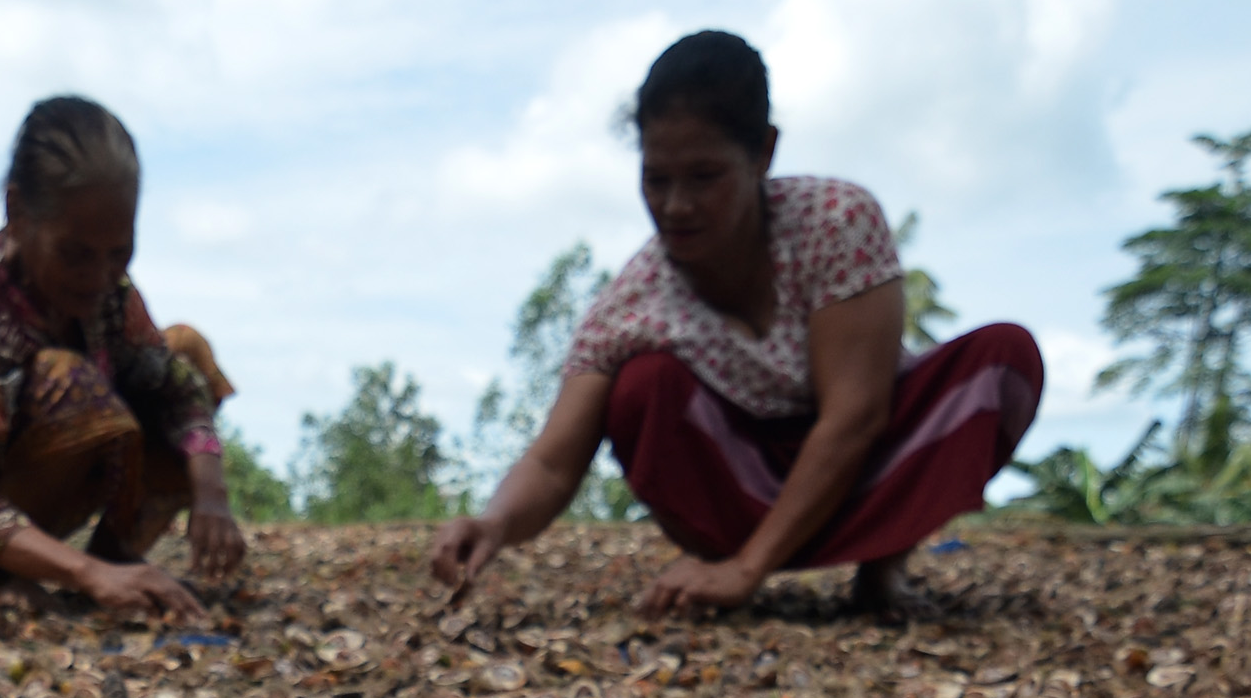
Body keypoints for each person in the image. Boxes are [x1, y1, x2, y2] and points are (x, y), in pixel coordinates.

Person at [431, 31, 1043, 617]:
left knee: (1003, 359)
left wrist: (751, 570)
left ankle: (881, 563)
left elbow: (854, 417)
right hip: (742, 494)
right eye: (656, 179)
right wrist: (493, 524)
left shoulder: (836, 222)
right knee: (642, 386)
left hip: (860, 469)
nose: (675, 206)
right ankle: (730, 561)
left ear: (763, 154)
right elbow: (552, 462)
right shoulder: (633, 302)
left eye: (704, 178)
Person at [0, 96, 243, 619]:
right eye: (76, 254)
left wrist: (211, 494)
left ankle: (117, 559)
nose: (100, 276)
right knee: (69, 380)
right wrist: (87, 577)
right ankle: (13, 575)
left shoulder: (111, 295)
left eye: (119, 253)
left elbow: (177, 387)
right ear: (18, 212)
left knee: (183, 348)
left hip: (34, 496)